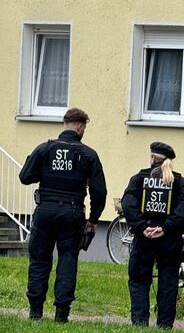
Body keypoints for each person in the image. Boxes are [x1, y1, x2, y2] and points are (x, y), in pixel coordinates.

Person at [19, 108, 107, 323]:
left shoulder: (45, 149)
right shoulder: (88, 154)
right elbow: (99, 191)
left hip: (45, 210)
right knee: (67, 260)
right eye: (84, 127)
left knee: (39, 260)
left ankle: (35, 312)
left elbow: (25, 177)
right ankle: (61, 315)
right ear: (79, 126)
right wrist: (93, 220)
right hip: (72, 212)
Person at [122, 142, 184, 328]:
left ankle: (139, 323)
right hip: (169, 239)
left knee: (138, 279)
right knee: (168, 282)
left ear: (153, 158)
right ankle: (164, 326)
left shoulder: (139, 179)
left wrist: (142, 227)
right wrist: (166, 228)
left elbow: (128, 204)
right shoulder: (179, 182)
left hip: (144, 238)